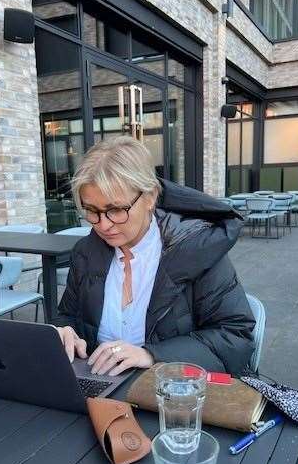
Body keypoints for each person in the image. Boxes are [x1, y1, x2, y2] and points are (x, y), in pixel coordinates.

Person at [55, 136, 254, 376]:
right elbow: (67, 314)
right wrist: (63, 330)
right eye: (92, 211)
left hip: (174, 393)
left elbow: (235, 337)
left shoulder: (197, 249)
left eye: (116, 210)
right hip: (101, 386)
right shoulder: (85, 252)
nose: (103, 225)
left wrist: (152, 355)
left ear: (150, 197)